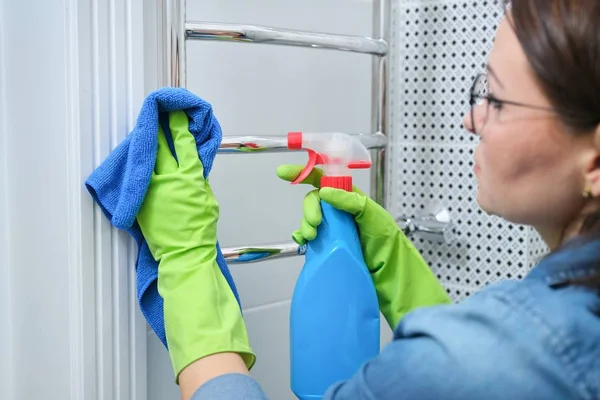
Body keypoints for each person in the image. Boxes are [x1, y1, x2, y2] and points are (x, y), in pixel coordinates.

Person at [136, 0, 600, 399]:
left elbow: (471, 370)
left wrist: (189, 264)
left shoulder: (498, 356)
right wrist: (400, 272)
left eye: (497, 100)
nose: (471, 120)